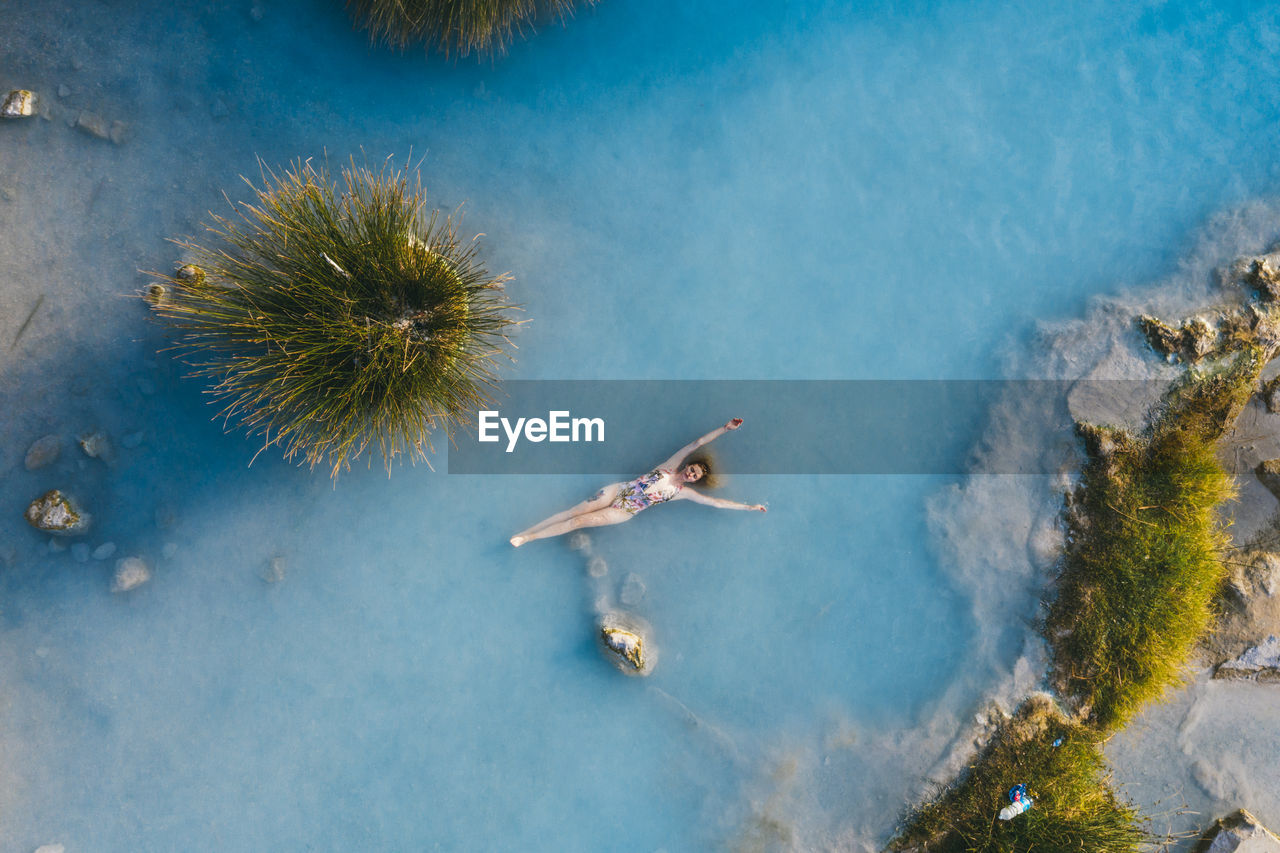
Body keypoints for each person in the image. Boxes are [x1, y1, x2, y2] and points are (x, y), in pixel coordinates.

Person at [509, 418, 766, 547]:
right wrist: (725, 429)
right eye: (693, 469)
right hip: (617, 491)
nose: (691, 474)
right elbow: (696, 444)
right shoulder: (668, 467)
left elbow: (716, 503)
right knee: (574, 511)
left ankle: (529, 539)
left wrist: (750, 508)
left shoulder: (681, 493)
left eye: (696, 476)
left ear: (696, 480)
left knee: (577, 522)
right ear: (688, 465)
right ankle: (527, 533)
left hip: (624, 511)